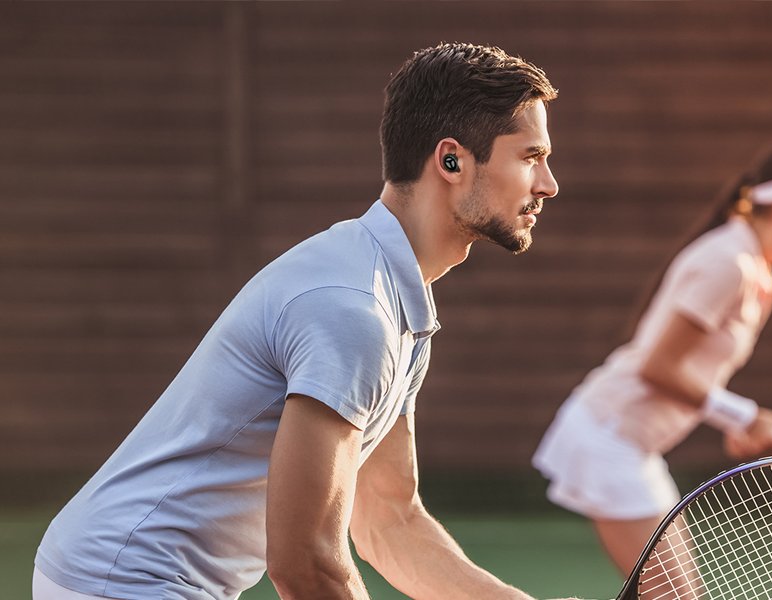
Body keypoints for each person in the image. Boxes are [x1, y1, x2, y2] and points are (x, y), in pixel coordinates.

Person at [35, 42, 569, 600]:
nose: (548, 184)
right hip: (122, 583)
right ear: (451, 161)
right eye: (531, 157)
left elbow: (389, 520)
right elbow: (305, 564)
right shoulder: (354, 310)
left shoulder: (393, 297)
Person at [532, 133, 772, 579]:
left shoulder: (754, 270)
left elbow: (688, 372)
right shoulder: (729, 263)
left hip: (633, 447)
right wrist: (745, 416)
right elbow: (656, 368)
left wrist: (733, 422)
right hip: (608, 438)